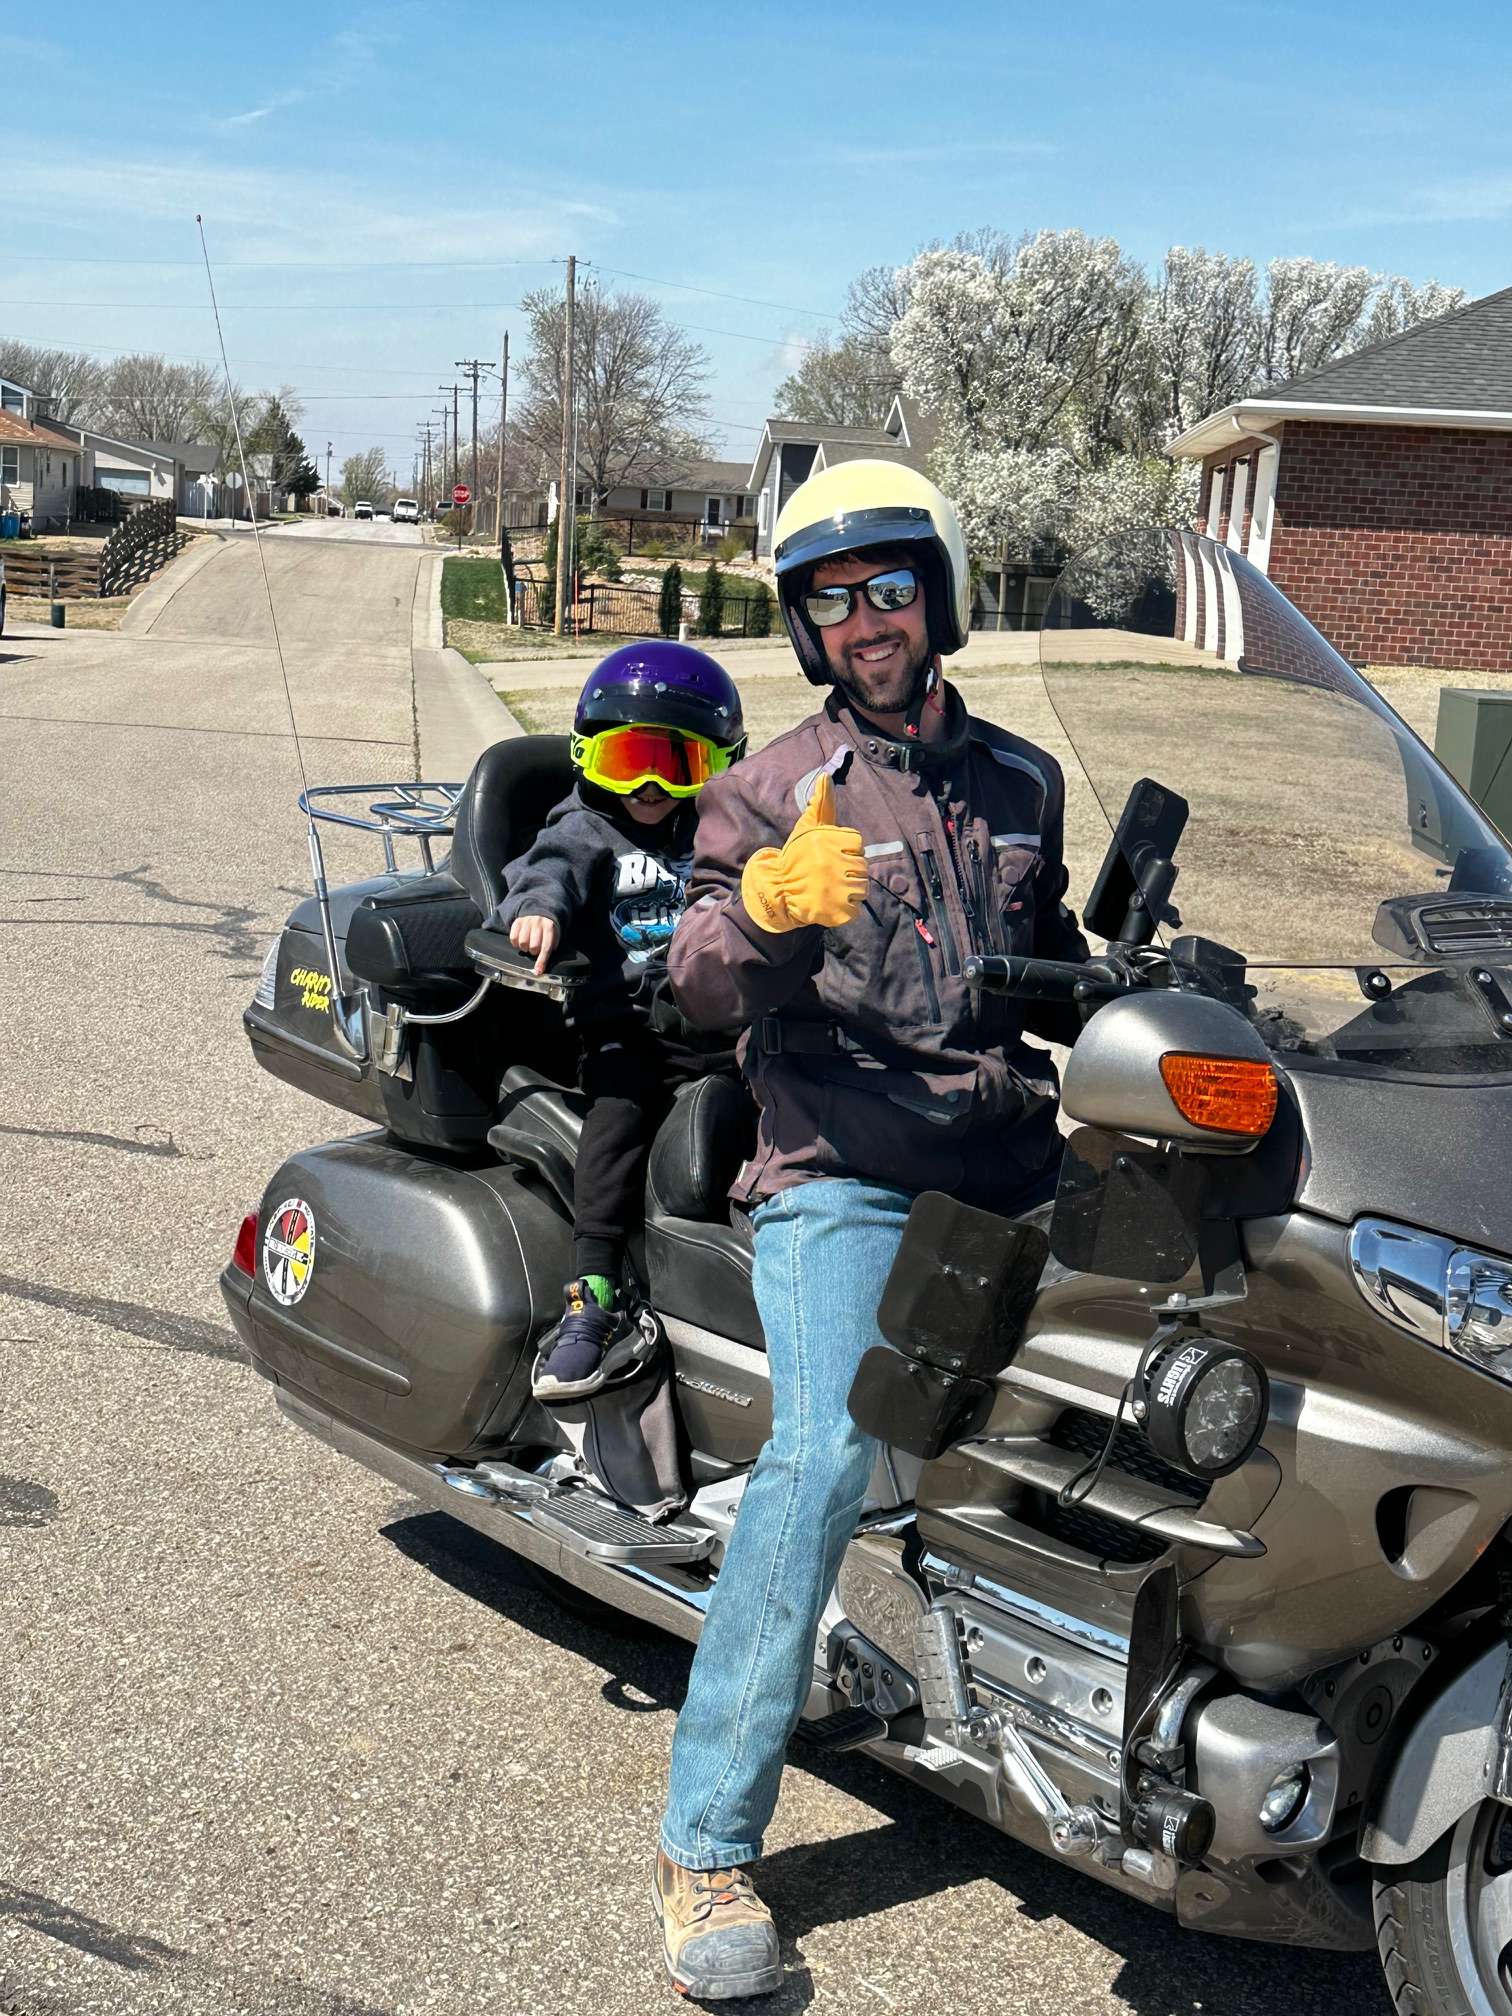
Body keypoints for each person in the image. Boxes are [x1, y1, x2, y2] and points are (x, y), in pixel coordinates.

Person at [650, 462, 1090, 1999]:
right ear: (805, 625)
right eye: (830, 600)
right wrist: (766, 906)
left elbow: (1058, 971)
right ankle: (707, 1845)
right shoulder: (773, 789)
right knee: (824, 1452)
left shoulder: (1024, 783)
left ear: (938, 597)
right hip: (841, 1164)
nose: (864, 622)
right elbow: (695, 980)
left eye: (887, 589)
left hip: (1012, 1153)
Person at [493, 641, 747, 1401]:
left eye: (679, 765)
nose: (648, 784)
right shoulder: (583, 829)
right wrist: (537, 913)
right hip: (624, 1029)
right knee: (617, 1118)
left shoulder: (720, 833)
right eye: (627, 759)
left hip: (717, 1028)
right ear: (588, 758)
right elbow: (545, 873)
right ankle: (593, 1291)